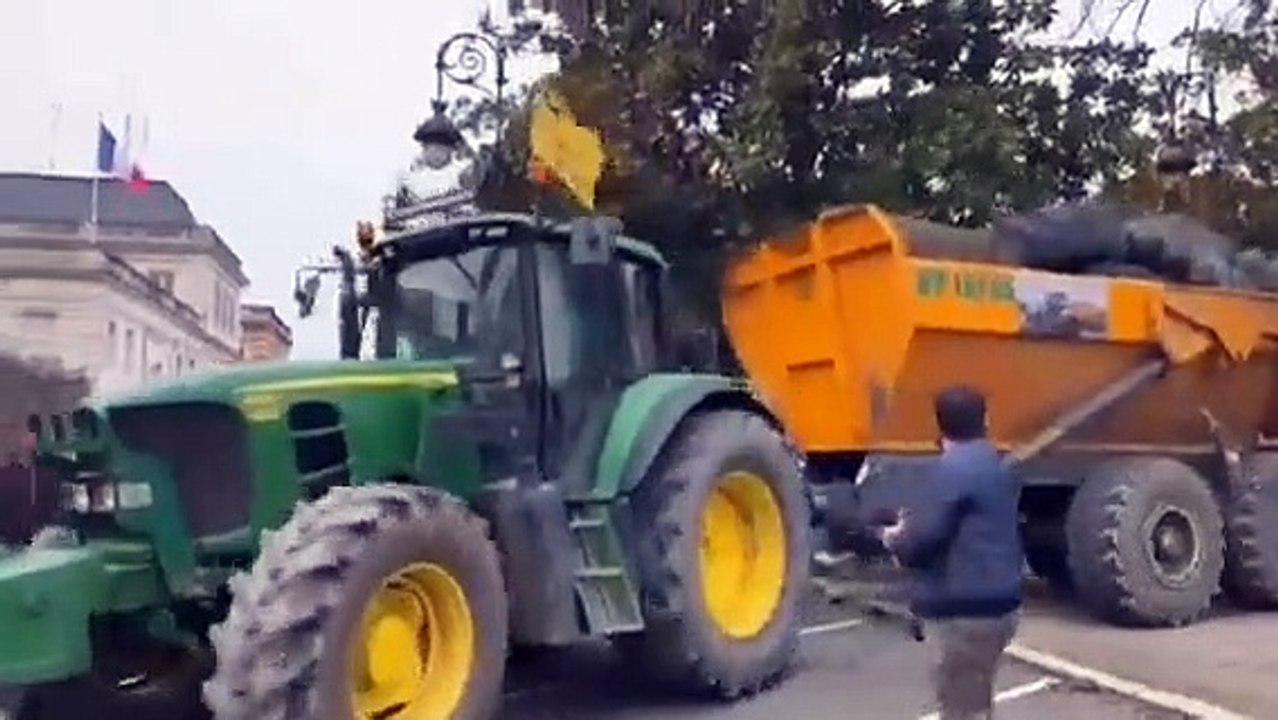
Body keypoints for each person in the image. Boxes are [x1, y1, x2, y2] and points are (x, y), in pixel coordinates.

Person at [881, 385, 1024, 720]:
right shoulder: (998, 464)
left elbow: (922, 540)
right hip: (1001, 606)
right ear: (985, 420)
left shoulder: (953, 469)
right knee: (976, 702)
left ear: (940, 424)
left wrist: (895, 538)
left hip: (964, 612)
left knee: (962, 710)